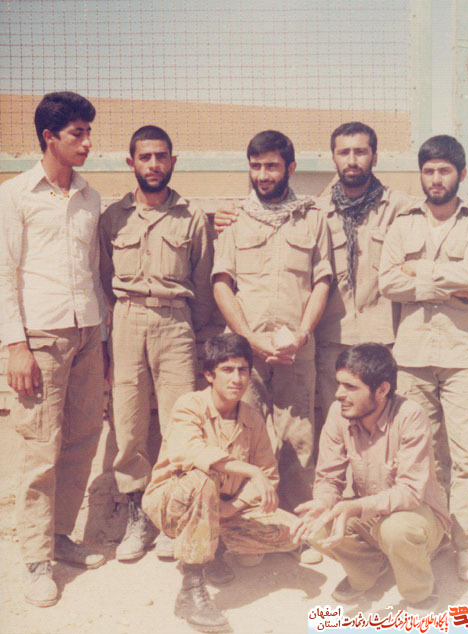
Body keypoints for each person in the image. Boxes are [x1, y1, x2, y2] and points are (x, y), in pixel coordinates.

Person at [213, 122, 468, 427]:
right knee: (338, 427)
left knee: (385, 428)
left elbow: (444, 202)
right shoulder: (314, 212)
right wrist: (229, 213)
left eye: (360, 152)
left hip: (385, 339)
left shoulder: (401, 207)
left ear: (375, 157)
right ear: (333, 158)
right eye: (344, 152)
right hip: (333, 339)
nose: (352, 160)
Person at [0, 91, 107, 607]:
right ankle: (36, 559)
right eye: (77, 134)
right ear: (49, 137)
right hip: (40, 338)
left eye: (88, 133)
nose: (87, 143)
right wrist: (14, 345)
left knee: (82, 438)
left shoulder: (90, 196)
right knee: (40, 449)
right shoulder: (15, 195)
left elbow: (94, 271)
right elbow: (3, 273)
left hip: (88, 331)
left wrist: (101, 338)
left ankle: (61, 535)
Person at [378, 135, 468, 582]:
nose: (436, 179)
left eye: (444, 171)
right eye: (428, 171)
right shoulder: (403, 224)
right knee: (417, 455)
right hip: (412, 357)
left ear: (461, 175)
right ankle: (429, 536)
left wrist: (419, 272)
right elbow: (388, 282)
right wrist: (446, 286)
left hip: (462, 356)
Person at [99, 125, 214, 562]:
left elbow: (203, 280)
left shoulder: (191, 217)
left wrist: (192, 332)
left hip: (176, 322)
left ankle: (173, 515)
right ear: (131, 163)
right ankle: (138, 516)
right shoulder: (113, 217)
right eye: (145, 157)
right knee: (128, 423)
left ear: (172, 161)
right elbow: (102, 278)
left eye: (161, 156)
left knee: (179, 423)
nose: (153, 165)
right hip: (127, 320)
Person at [211, 130, 332, 519]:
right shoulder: (235, 219)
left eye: (272, 166)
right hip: (243, 354)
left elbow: (322, 283)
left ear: (290, 168)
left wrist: (302, 335)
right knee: (240, 435)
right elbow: (221, 284)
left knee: (299, 439)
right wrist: (248, 339)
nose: (262, 175)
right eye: (256, 166)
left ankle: (298, 523)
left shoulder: (312, 218)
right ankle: (242, 522)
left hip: (296, 350)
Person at [142, 334, 298, 633]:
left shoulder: (252, 418)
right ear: (209, 375)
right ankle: (191, 589)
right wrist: (250, 471)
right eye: (227, 370)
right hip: (174, 504)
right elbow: (190, 451)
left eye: (243, 370)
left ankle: (211, 548)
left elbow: (268, 472)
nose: (237, 379)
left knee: (291, 533)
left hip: (221, 509)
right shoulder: (189, 405)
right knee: (201, 481)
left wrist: (234, 506)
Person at [292, 343, 450, 610]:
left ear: (382, 389)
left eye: (350, 387)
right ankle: (367, 569)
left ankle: (419, 591)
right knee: (314, 523)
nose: (339, 394)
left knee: (396, 530)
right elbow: (329, 478)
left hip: (417, 515)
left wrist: (354, 507)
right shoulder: (338, 413)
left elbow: (410, 493)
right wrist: (323, 502)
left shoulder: (410, 415)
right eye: (339, 384)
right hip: (372, 514)